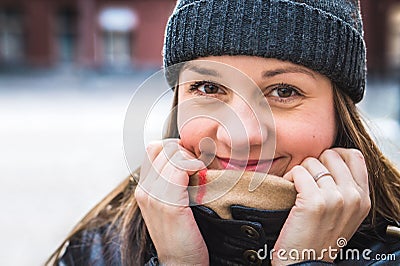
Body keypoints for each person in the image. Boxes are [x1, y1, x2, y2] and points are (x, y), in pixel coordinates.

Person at [48, 0, 400, 265]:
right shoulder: (98, 249)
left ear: (340, 114)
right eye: (208, 88)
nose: (241, 136)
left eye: (284, 91)